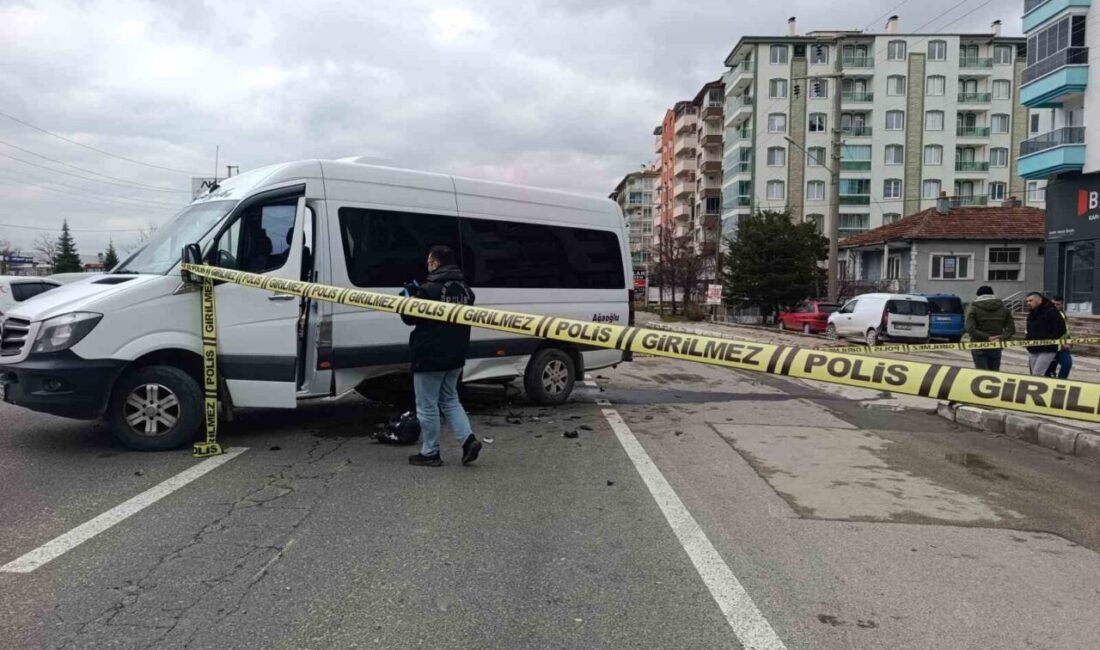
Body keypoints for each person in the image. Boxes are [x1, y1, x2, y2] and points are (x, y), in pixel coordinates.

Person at [400, 245, 482, 467]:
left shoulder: (429, 290)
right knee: (450, 400)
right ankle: (468, 441)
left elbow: (409, 318)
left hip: (429, 355)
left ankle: (430, 453)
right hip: (455, 355)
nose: (427, 265)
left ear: (435, 263)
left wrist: (408, 298)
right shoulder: (466, 290)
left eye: (429, 261)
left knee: (427, 405)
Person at [964, 285, 1014, 371]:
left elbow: (970, 329)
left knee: (982, 374)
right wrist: (1001, 337)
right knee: (994, 373)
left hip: (979, 346)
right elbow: (1011, 329)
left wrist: (988, 337)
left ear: (978, 295)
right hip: (996, 346)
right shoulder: (1004, 309)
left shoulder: (973, 309)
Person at [1024, 291, 1066, 377]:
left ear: (1039, 300)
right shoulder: (1031, 314)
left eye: (1030, 300)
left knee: (1037, 373)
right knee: (1033, 374)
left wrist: (1049, 340)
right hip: (1033, 348)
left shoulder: (1052, 311)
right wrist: (1027, 340)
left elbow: (1061, 329)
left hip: (1047, 349)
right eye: (1027, 301)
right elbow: (1029, 330)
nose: (1028, 303)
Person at [1046, 295, 1073, 379]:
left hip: (1062, 348)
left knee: (1067, 364)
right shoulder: (1045, 314)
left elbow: (1067, 330)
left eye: (1058, 304)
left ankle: (1061, 381)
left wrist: (1069, 342)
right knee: (1048, 371)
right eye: (1053, 304)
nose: (1055, 306)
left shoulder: (1062, 314)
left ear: (1062, 305)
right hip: (1049, 347)